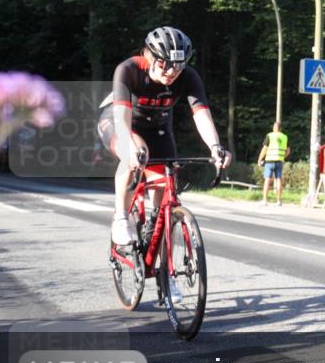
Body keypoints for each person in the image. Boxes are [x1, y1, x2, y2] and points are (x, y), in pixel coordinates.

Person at [97, 26, 231, 252]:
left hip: (158, 129)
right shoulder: (129, 69)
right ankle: (121, 216)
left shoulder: (188, 76)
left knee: (163, 191)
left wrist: (215, 147)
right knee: (135, 154)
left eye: (178, 65)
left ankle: (161, 263)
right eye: (164, 64)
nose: (171, 71)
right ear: (149, 56)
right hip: (119, 122)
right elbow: (121, 120)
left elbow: (201, 114)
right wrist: (130, 146)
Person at [257, 121, 290, 206]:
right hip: (279, 161)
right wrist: (282, 156)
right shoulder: (284, 137)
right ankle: (279, 201)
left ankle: (265, 201)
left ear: (274, 127)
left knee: (267, 180)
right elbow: (288, 151)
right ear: (281, 128)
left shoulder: (270, 135)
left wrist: (260, 159)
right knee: (278, 179)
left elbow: (264, 149)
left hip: (269, 161)